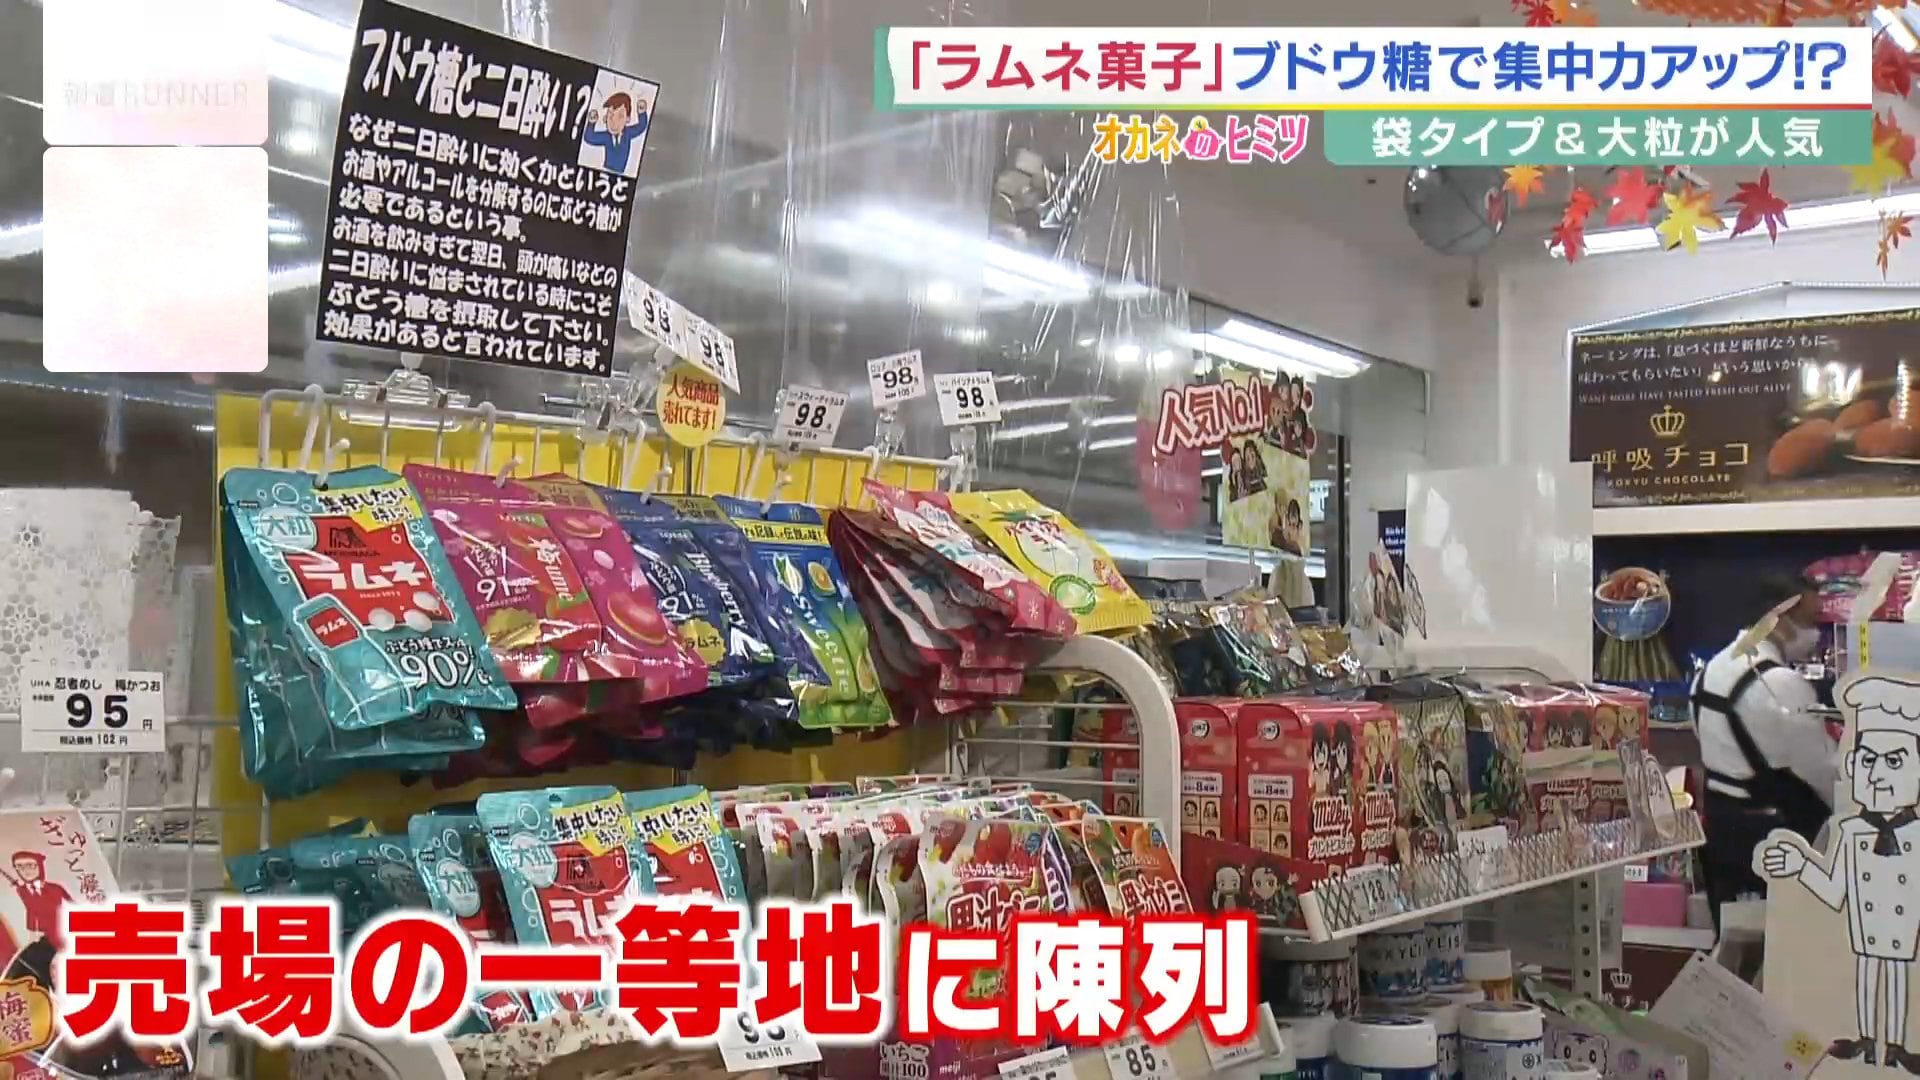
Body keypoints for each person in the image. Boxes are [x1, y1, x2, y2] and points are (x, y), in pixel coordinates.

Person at [1760, 674, 1920, 1071]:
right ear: (1851, 765)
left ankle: (1896, 1045)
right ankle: (1866, 1039)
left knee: (1898, 978)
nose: (1877, 774)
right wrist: (1801, 866)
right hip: (1863, 930)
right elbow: (1835, 891)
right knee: (1865, 976)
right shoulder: (1848, 832)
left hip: (1904, 932)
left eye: (1894, 761)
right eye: (1868, 760)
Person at [1692, 573, 1836, 930]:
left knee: (1735, 945)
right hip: (1773, 839)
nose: (1815, 633)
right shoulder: (1781, 684)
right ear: (1779, 619)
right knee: (1782, 950)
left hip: (1721, 834)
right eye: (1811, 620)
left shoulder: (1709, 671)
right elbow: (1824, 774)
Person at [581, 90, 650, 174]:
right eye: (611, 115)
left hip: (621, 174)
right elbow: (589, 137)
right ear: (605, 118)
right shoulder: (606, 137)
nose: (614, 121)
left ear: (627, 119)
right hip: (605, 172)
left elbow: (641, 126)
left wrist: (642, 112)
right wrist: (591, 123)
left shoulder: (628, 133)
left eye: (620, 116)